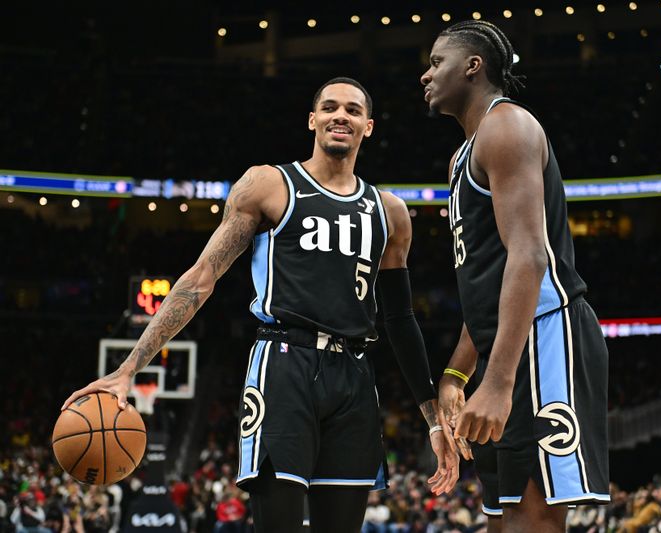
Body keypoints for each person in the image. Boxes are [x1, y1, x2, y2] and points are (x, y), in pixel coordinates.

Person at [62, 77, 458, 532]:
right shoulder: (269, 183)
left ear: (368, 126)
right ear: (313, 120)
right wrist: (130, 367)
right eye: (329, 107)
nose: (340, 116)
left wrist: (431, 418)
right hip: (284, 365)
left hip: (354, 373)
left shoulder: (389, 211)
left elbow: (401, 319)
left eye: (352, 110)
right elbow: (200, 279)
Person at [420, 20, 610, 532]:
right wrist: (457, 375)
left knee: (534, 517)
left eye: (438, 62)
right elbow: (486, 285)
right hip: (508, 343)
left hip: (546, 335)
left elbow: (528, 257)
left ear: (473, 66)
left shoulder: (508, 127)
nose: (427, 74)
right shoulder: (464, 155)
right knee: (503, 519)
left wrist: (499, 381)